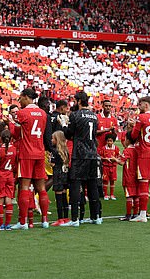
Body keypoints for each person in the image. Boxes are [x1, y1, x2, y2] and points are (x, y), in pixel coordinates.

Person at [11, 88, 52, 230]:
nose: (19, 101)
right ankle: (45, 220)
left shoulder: (22, 113)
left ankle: (23, 222)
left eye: (20, 98)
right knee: (41, 188)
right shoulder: (43, 113)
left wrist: (10, 123)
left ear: (27, 97)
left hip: (26, 154)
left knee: (24, 187)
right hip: (40, 153)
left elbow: (16, 134)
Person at [61, 91, 101, 227]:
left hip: (80, 154)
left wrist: (64, 125)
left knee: (75, 184)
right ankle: (96, 217)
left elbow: (69, 134)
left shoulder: (75, 115)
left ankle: (74, 219)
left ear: (78, 101)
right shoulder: (94, 116)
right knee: (92, 185)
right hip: (93, 153)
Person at [127, 96, 150, 222]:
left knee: (144, 184)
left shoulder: (141, 117)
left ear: (147, 105)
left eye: (141, 104)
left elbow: (133, 135)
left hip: (145, 154)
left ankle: (143, 215)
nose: (139, 106)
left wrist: (133, 126)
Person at [0, 129, 17, 230]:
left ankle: (0, 224)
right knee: (9, 198)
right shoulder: (14, 149)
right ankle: (7, 224)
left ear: (0, 138)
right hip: (10, 175)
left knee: (0, 199)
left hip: (0, 176)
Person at [50, 130, 70, 226]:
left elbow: (52, 164)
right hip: (65, 175)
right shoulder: (66, 151)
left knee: (58, 198)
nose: (51, 140)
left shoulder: (54, 151)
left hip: (58, 175)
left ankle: (60, 218)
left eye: (53, 138)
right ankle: (66, 217)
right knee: (64, 197)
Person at [117, 135, 139, 221]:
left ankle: (128, 215)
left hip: (128, 176)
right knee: (136, 196)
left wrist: (115, 159)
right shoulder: (138, 149)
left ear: (128, 140)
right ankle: (136, 214)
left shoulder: (127, 150)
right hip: (137, 176)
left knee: (129, 195)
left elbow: (122, 162)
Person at [99, 133, 120, 200]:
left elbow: (119, 156)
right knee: (105, 181)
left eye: (111, 141)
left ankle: (112, 194)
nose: (109, 142)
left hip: (113, 167)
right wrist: (105, 159)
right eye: (108, 141)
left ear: (113, 141)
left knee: (112, 181)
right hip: (105, 167)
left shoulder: (116, 148)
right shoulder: (103, 148)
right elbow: (100, 157)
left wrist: (115, 159)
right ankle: (105, 194)